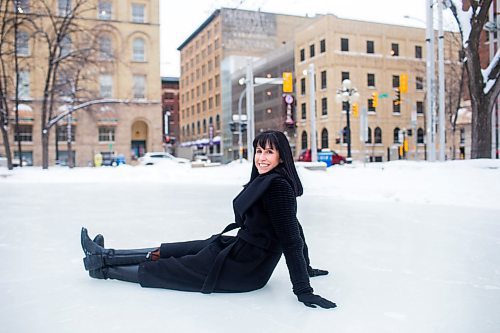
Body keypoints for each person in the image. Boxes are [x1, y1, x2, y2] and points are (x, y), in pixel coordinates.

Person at [81, 130, 336, 309]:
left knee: (168, 269)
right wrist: (309, 266)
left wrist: (304, 289)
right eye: (259, 150)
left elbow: (291, 238)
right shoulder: (266, 181)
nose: (262, 157)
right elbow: (297, 228)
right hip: (238, 248)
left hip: (246, 268)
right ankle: (105, 254)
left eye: (269, 152)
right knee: (175, 250)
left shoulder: (277, 186)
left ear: (282, 157)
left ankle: (103, 270)